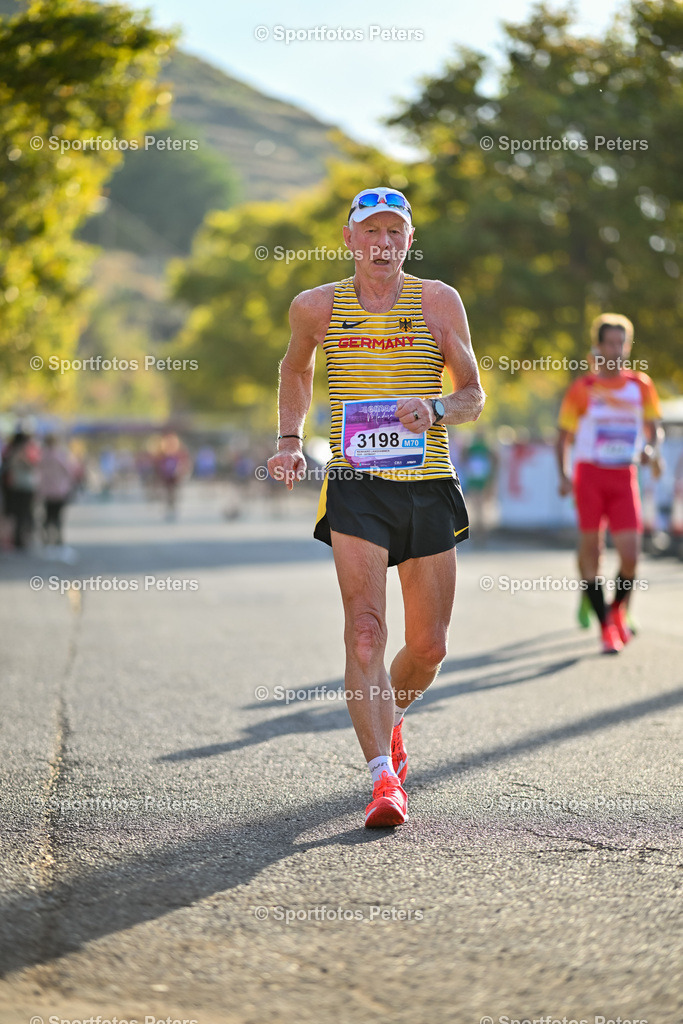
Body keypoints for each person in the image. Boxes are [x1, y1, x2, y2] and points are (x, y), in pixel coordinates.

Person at [267, 186, 485, 828]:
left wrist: (439, 407)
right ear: (349, 238)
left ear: (409, 241)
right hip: (356, 482)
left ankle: (389, 723)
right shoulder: (315, 307)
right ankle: (383, 780)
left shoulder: (438, 301)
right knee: (365, 629)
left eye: (395, 233)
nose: (383, 244)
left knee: (430, 647)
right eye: (372, 232)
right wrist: (287, 440)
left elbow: (472, 392)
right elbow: (295, 370)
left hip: (427, 483)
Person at [556, 313, 663, 654]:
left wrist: (651, 448)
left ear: (628, 347)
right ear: (599, 347)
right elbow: (563, 437)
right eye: (610, 343)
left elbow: (654, 427)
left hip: (624, 476)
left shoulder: (641, 386)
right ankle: (605, 627)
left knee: (631, 555)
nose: (616, 350)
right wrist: (563, 473)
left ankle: (617, 611)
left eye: (622, 344)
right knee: (593, 551)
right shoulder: (583, 389)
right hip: (590, 475)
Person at [39, 434, 76, 548]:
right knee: (57, 516)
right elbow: (68, 471)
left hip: (47, 491)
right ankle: (57, 537)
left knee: (48, 515)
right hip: (59, 490)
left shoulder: (42, 456)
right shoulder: (59, 455)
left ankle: (48, 537)